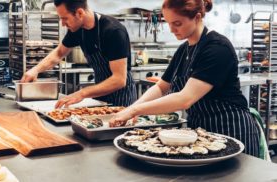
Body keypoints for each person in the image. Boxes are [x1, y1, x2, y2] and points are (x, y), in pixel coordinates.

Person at [110, 0, 260, 157]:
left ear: (197, 17)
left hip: (230, 128)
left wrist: (135, 110)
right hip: (201, 132)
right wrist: (131, 110)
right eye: (168, 23)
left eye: (177, 23)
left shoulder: (217, 48)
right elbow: (161, 87)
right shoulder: (184, 49)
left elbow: (185, 99)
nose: (172, 29)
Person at [21, 0, 136, 108]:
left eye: (65, 18)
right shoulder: (77, 30)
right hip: (100, 95)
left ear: (79, 13)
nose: (62, 24)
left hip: (121, 98)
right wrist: (35, 70)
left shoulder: (113, 31)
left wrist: (82, 93)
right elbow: (59, 53)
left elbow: (119, 80)